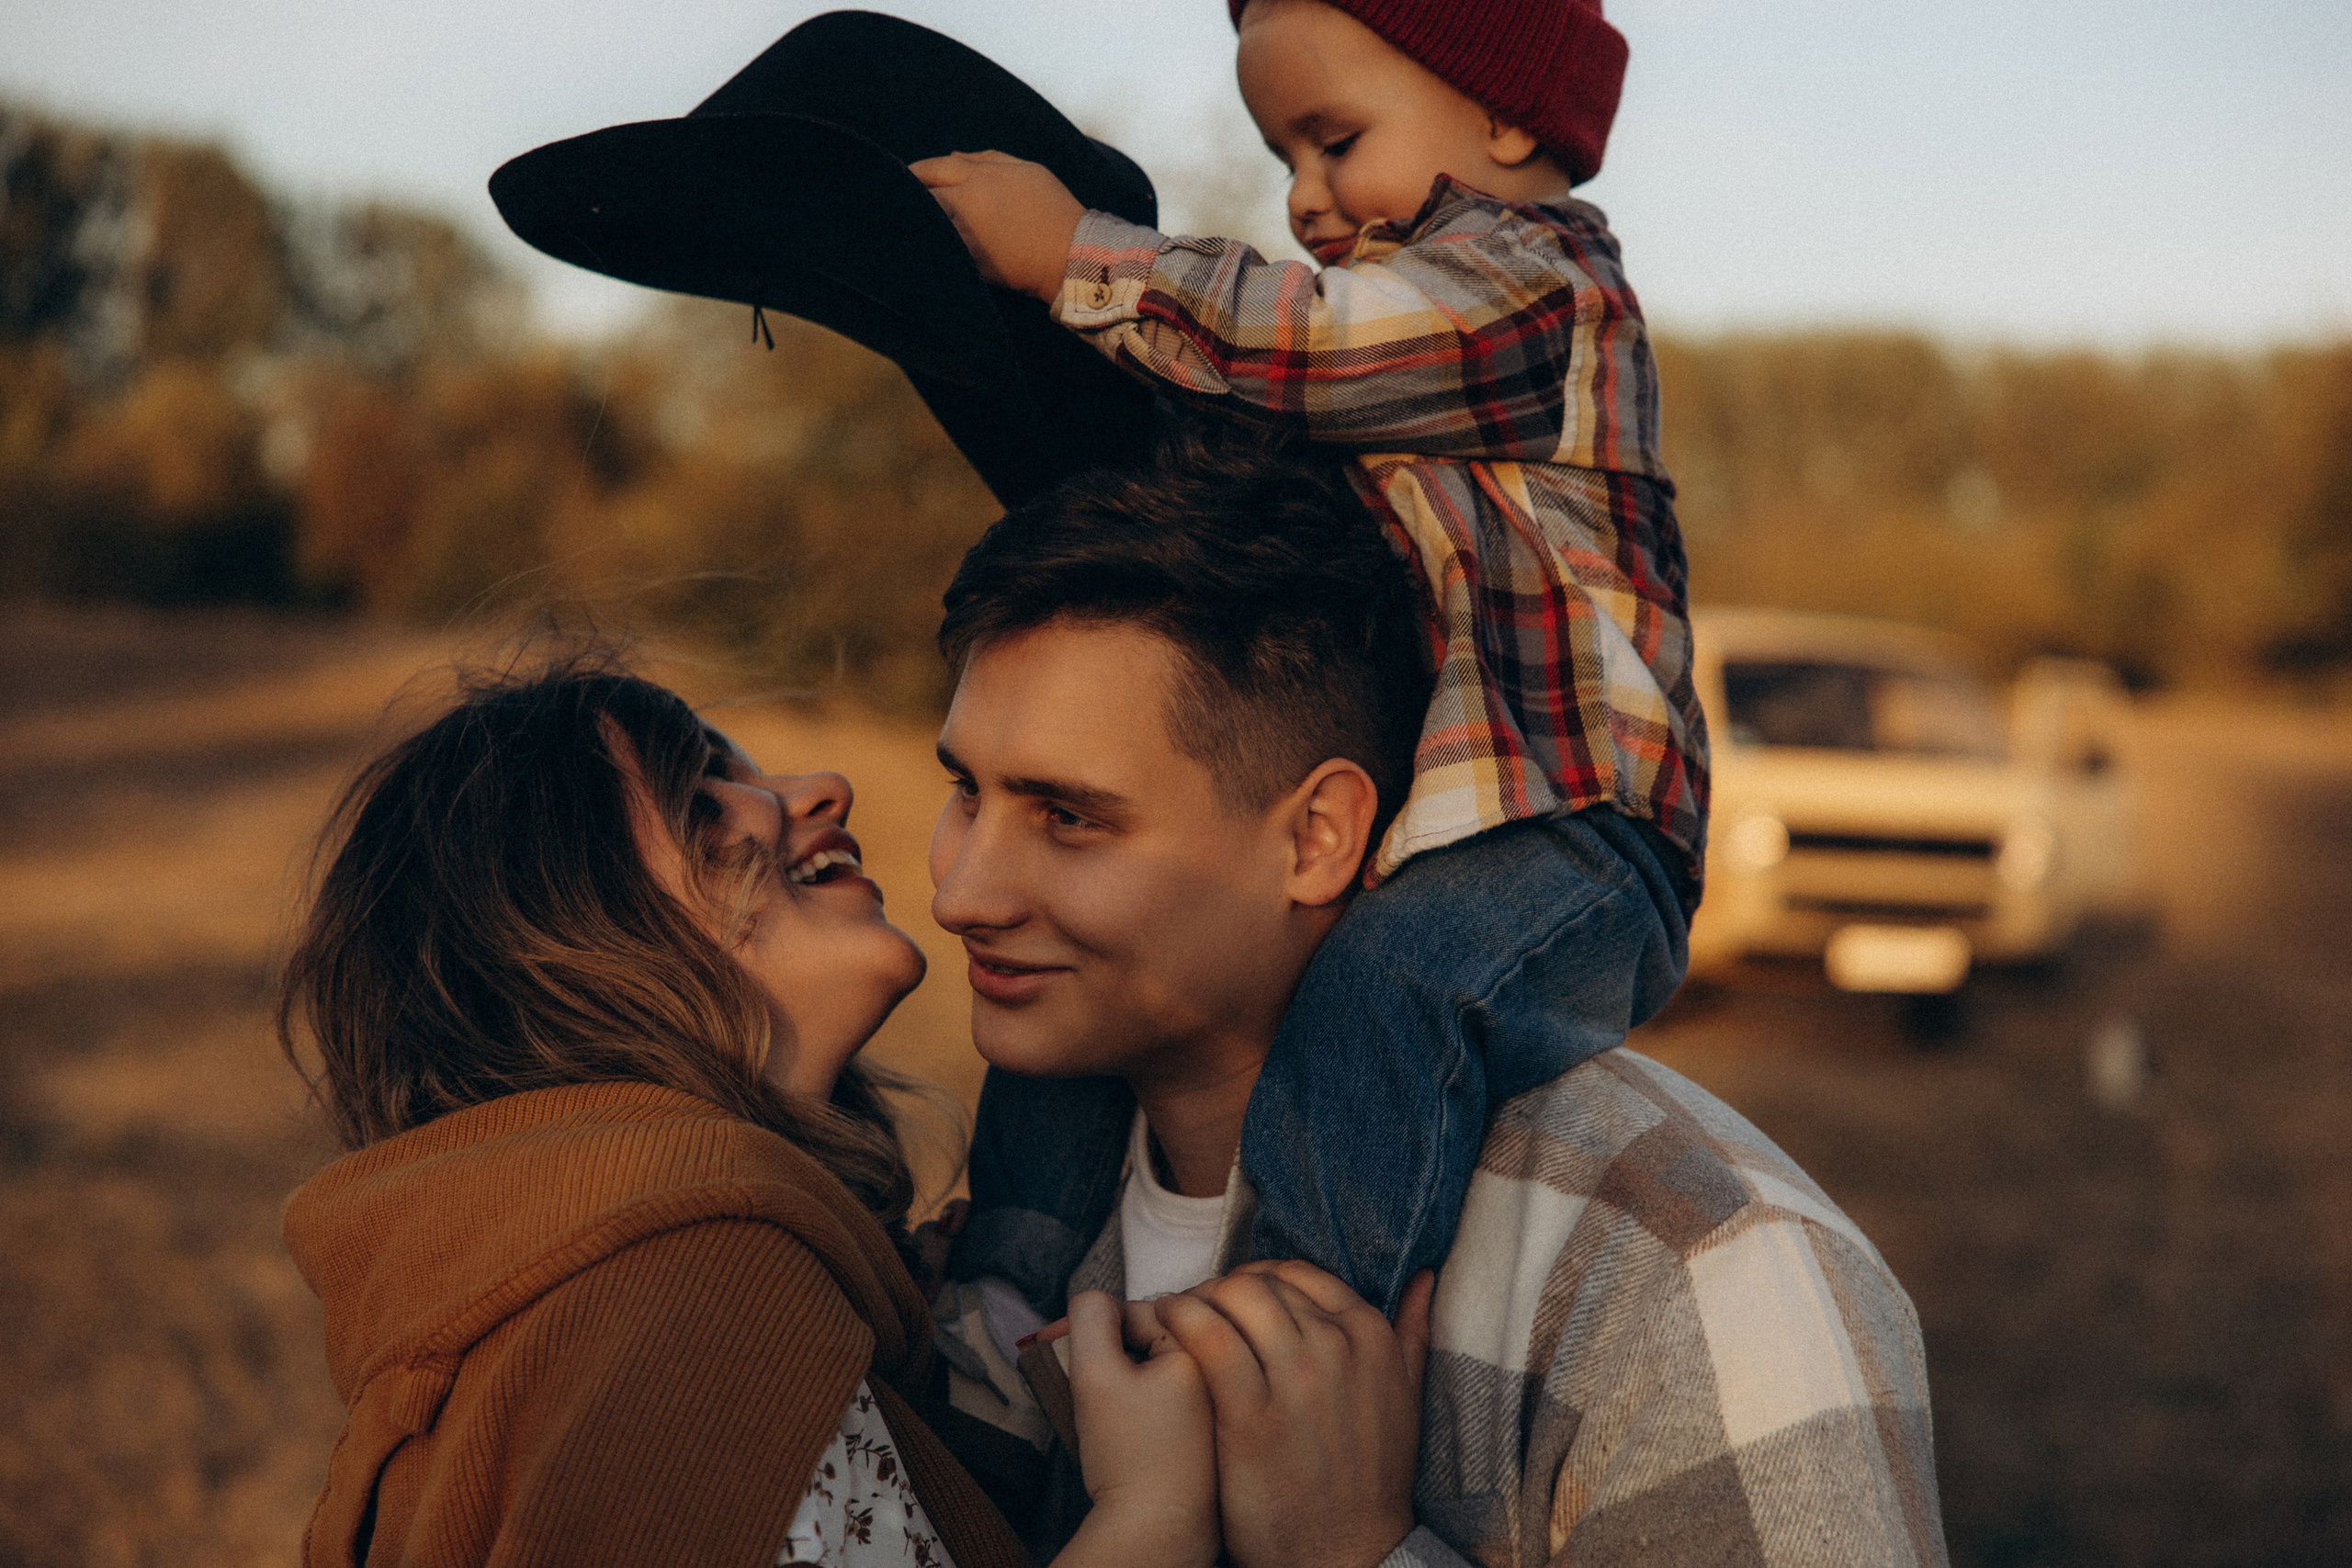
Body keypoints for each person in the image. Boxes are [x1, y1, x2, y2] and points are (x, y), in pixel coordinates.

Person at [928, 434, 1947, 1566]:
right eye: (965, 791)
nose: (960, 893)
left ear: (1315, 838)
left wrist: (1354, 1551)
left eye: (1068, 817)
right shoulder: (996, 1246)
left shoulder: (1692, 1272)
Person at [275, 657, 1426, 1568]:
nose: (817, 788)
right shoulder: (678, 1295)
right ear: (562, 930)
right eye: (695, 797)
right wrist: (1155, 1518)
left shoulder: (619, 1264)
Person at [915, 0, 1705, 1316]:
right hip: (1445, 811)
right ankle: (1004, 1289)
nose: (1307, 198)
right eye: (1285, 159)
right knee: (1084, 985)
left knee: (1390, 982)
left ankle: (1287, 1331)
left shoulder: (1538, 290)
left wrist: (1075, 256)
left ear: (1509, 114)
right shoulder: (1414, 334)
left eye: (1335, 141)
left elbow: (1306, 341)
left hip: (1577, 827)